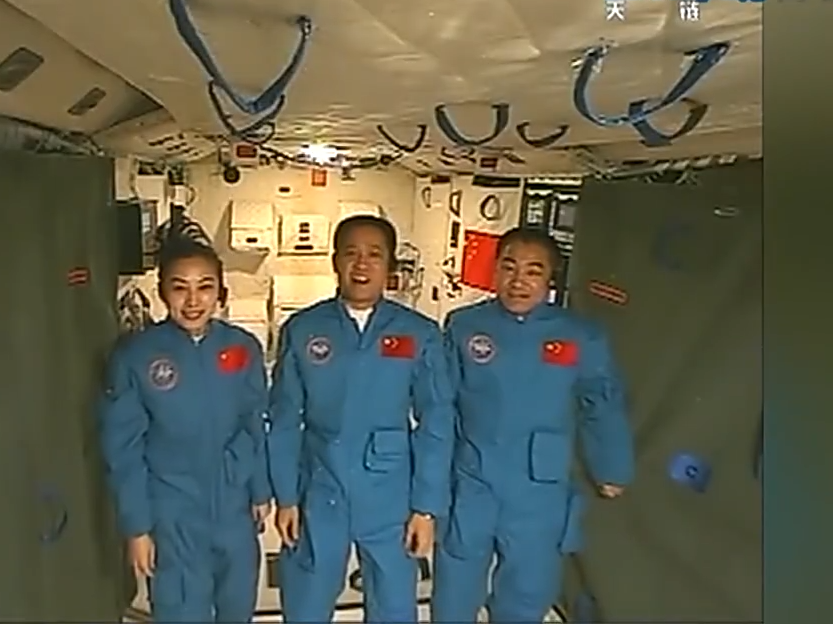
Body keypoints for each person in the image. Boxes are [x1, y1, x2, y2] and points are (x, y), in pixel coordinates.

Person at [430, 227, 635, 624]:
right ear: (495, 270)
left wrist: (612, 468)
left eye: (533, 271)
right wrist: (432, 482)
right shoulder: (465, 325)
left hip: (539, 487)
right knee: (455, 588)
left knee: (527, 591)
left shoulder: (579, 335)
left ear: (550, 279)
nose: (518, 281)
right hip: (472, 479)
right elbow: (441, 405)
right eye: (509, 267)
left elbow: (602, 402)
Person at [267, 215, 456, 624]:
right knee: (306, 604)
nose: (362, 264)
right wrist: (286, 497)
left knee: (394, 606)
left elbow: (436, 423)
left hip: (392, 496)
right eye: (351, 253)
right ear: (335, 261)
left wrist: (426, 508)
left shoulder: (418, 333)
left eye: (374, 255)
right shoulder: (304, 329)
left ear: (390, 266)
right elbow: (283, 419)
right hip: (321, 489)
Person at [99, 238, 272, 623]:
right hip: (173, 512)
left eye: (205, 286)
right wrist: (137, 528)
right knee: (180, 611)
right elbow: (123, 451)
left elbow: (255, 421)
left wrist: (260, 490)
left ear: (220, 291)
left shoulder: (242, 348)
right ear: (162, 292)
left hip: (234, 509)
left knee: (237, 606)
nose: (193, 300)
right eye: (180, 287)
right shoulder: (137, 356)